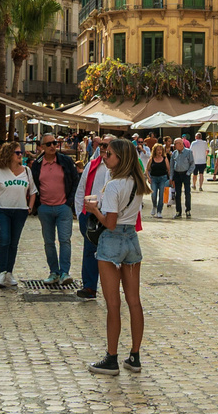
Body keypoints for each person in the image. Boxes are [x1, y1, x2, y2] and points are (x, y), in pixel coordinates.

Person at [85, 138, 151, 375]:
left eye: (110, 154)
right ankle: (135, 356)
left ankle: (111, 357)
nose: (104, 156)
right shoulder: (137, 181)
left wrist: (94, 210)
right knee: (134, 301)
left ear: (121, 158)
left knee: (113, 304)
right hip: (132, 239)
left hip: (112, 243)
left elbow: (110, 223)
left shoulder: (114, 185)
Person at [0, 142, 36, 287]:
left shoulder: (26, 171)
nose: (21, 155)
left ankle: (9, 272)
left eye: (21, 153)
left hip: (20, 211)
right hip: (3, 210)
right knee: (4, 239)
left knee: (14, 243)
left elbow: (33, 191)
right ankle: (1, 272)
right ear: (9, 155)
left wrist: (29, 207)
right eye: (17, 153)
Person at [30, 134, 80, 286]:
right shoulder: (38, 164)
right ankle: (54, 272)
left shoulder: (65, 160)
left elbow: (75, 181)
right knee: (49, 242)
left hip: (63, 207)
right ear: (42, 147)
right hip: (45, 208)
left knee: (65, 240)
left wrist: (69, 203)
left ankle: (65, 272)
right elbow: (33, 184)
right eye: (49, 144)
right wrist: (38, 205)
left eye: (55, 143)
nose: (53, 146)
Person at [73, 143, 113, 300]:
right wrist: (80, 213)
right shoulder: (92, 165)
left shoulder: (121, 168)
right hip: (91, 215)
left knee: (111, 254)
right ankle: (89, 287)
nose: (104, 147)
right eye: (102, 144)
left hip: (111, 215)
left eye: (108, 145)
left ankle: (112, 289)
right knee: (90, 250)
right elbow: (81, 190)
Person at [170, 138, 194, 218]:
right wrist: (171, 177)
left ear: (180, 144)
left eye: (175, 143)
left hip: (185, 174)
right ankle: (178, 211)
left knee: (187, 193)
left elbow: (192, 164)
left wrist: (188, 173)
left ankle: (188, 210)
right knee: (177, 194)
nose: (174, 145)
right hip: (177, 174)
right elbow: (171, 166)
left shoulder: (188, 152)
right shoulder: (174, 153)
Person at [147, 141, 171, 218]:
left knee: (161, 196)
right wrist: (148, 177)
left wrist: (170, 179)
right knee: (153, 195)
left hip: (163, 179)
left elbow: (168, 169)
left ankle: (159, 211)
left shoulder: (165, 158)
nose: (160, 151)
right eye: (158, 150)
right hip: (153, 178)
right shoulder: (152, 159)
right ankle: (154, 206)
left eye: (161, 150)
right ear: (155, 151)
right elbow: (147, 169)